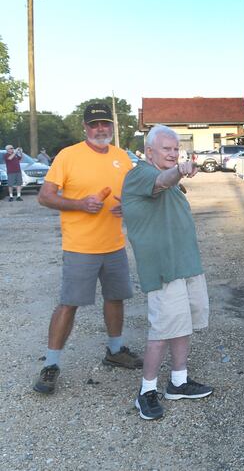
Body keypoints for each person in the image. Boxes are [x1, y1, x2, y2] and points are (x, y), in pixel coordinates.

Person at [34, 103, 142, 395]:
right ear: (85, 127)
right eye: (94, 125)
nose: (100, 129)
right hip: (80, 246)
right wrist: (80, 204)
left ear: (112, 127)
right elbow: (45, 197)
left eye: (105, 124)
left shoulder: (122, 157)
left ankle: (115, 350)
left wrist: (127, 206)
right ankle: (51, 364)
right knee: (69, 303)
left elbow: (132, 195)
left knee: (116, 297)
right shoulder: (68, 156)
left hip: (114, 245)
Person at [122, 124, 212, 421]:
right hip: (164, 269)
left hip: (186, 264)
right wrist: (181, 171)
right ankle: (146, 391)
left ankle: (178, 381)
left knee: (182, 323)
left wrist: (179, 176)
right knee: (162, 329)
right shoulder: (141, 173)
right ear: (149, 151)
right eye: (166, 149)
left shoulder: (167, 179)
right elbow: (162, 179)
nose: (173, 154)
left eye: (176, 149)